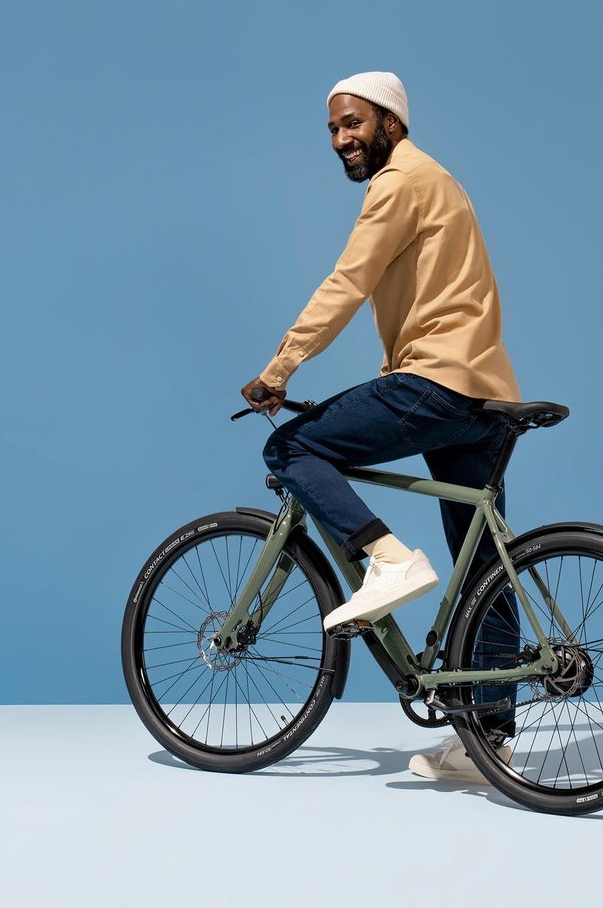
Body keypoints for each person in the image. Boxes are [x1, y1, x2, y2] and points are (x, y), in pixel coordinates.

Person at [239, 71, 520, 783]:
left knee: (291, 446)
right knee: (484, 568)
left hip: (435, 380)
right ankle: (488, 741)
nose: (342, 139)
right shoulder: (443, 181)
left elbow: (348, 281)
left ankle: (387, 560)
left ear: (391, 122)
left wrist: (279, 369)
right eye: (334, 129)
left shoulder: (400, 182)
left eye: (354, 123)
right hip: (484, 392)